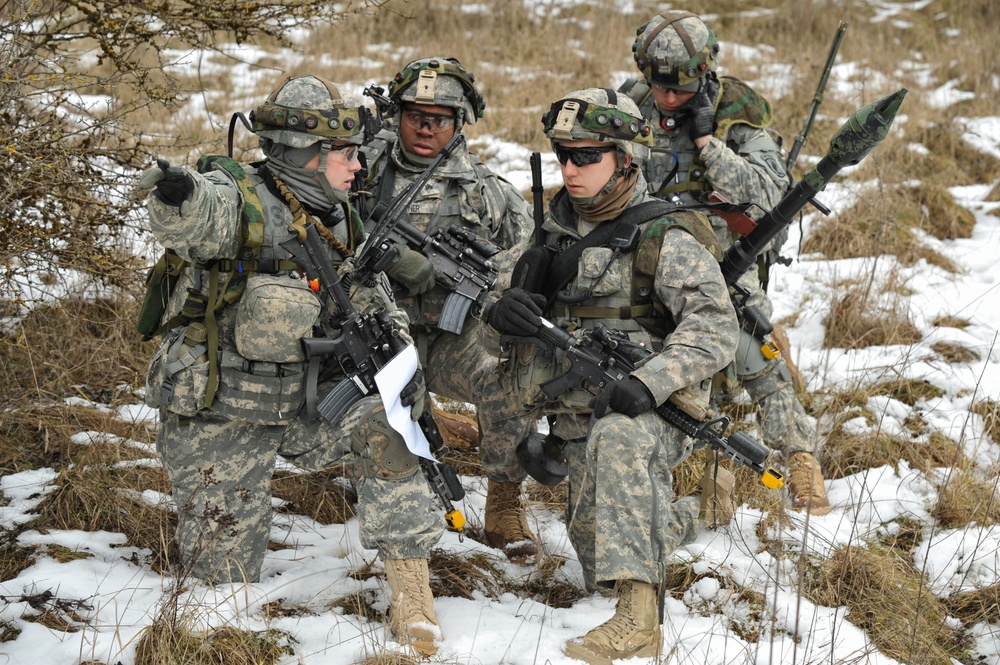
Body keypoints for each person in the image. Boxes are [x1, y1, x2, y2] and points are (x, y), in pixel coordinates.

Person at [137, 75, 445, 656]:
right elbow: (196, 216)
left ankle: (411, 586)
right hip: (223, 414)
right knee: (223, 582)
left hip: (308, 405)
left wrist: (399, 364)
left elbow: (379, 302)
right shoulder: (241, 201)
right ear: (308, 155)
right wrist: (175, 192)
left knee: (394, 426)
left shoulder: (342, 218)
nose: (358, 166)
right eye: (347, 155)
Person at [481, 87, 740, 664]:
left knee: (619, 437)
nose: (571, 170)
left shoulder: (665, 235)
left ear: (624, 158)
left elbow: (716, 329)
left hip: (651, 413)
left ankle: (640, 621)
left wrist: (649, 381)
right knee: (599, 561)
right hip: (574, 422)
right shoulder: (545, 232)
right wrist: (501, 315)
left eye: (587, 157)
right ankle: (703, 509)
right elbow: (489, 321)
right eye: (564, 156)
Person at [619, 10, 831, 514]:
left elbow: (769, 194)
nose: (669, 99)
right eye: (660, 87)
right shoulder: (631, 102)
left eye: (681, 89)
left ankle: (800, 455)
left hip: (719, 259)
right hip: (645, 253)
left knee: (753, 346)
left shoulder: (736, 112)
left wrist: (709, 144)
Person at [357, 57, 541, 562]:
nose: (425, 128)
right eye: (415, 115)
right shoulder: (360, 170)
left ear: (459, 124)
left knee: (506, 378)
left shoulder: (487, 193)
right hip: (374, 331)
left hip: (447, 337)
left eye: (439, 119)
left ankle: (503, 498)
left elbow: (530, 260)